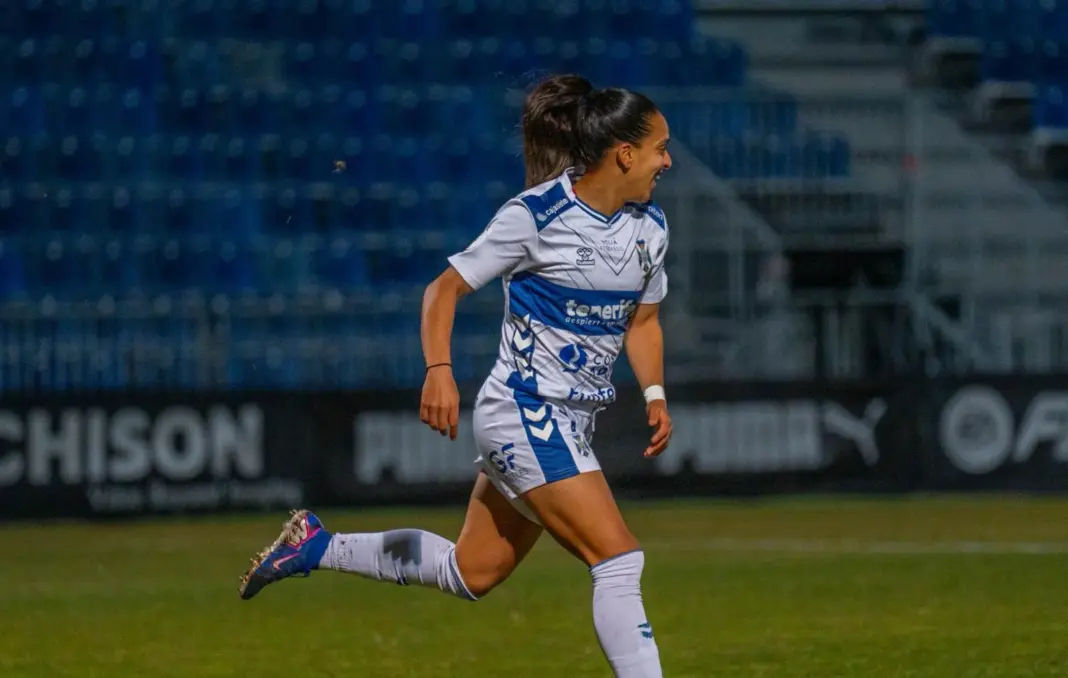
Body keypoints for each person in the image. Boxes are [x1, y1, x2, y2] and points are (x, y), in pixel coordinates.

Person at [238, 73, 674, 678]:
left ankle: (315, 544)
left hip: (569, 423)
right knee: (618, 560)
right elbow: (441, 291)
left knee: (471, 572)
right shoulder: (536, 216)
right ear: (624, 153)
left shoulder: (650, 228)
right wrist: (438, 370)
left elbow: (643, 322)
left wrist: (654, 392)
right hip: (526, 412)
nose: (667, 161)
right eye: (659, 148)